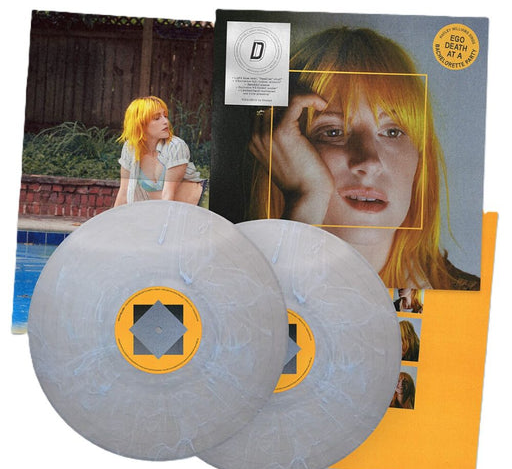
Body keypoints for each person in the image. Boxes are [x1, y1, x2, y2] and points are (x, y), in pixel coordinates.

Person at [247, 27, 480, 290]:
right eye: (333, 131)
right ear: (280, 149)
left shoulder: (473, 298)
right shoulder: (233, 286)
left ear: (420, 159)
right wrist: (304, 200)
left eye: (393, 132)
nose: (369, 162)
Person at [114, 96, 205, 207]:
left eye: (165, 116)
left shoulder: (175, 146)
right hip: (165, 209)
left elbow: (168, 195)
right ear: (140, 123)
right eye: (157, 118)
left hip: (199, 205)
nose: (166, 121)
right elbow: (124, 193)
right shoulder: (130, 148)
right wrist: (114, 218)